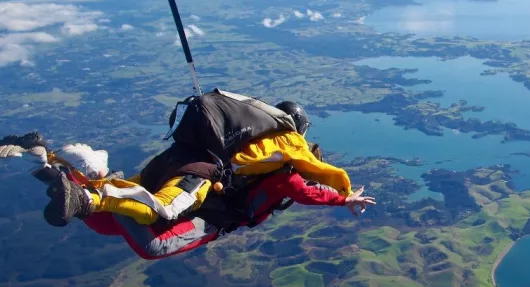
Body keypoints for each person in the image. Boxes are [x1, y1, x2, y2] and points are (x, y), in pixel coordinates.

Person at [1, 132, 375, 260]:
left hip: (186, 181)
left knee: (105, 223)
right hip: (205, 215)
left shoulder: (248, 151)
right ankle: (87, 190)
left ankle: (45, 163)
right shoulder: (281, 173)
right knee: (153, 245)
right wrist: (342, 199)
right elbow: (299, 189)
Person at [36, 91, 369, 229]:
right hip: (198, 170)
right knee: (161, 209)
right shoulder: (290, 140)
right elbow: (324, 173)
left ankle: (52, 165)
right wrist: (345, 194)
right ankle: (88, 197)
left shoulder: (250, 130)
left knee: (132, 187)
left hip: (174, 156)